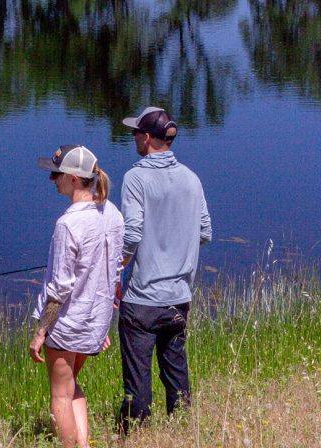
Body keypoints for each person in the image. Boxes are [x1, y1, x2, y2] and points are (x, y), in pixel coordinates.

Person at [117, 106, 212, 429]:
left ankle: (137, 433)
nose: (133, 139)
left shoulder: (136, 177)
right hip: (179, 298)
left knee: (137, 379)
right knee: (176, 371)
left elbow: (131, 234)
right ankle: (181, 430)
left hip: (142, 300)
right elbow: (204, 231)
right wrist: (175, 247)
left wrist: (115, 268)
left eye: (134, 133)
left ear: (146, 138)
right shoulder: (191, 178)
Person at [29, 144, 125, 448]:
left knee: (60, 396)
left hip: (68, 325)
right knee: (72, 386)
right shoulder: (112, 213)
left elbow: (59, 289)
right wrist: (105, 319)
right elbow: (115, 269)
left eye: (56, 174)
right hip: (95, 323)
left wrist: (40, 332)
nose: (52, 179)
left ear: (72, 178)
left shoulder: (68, 224)